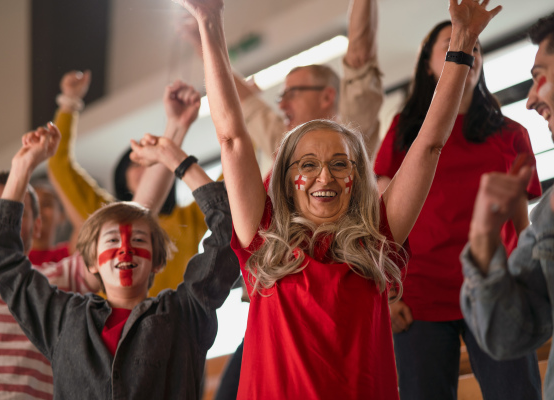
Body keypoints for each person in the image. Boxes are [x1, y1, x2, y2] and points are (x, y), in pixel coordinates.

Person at [175, 0, 501, 397]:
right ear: (288, 178)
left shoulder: (378, 239)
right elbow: (232, 137)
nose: (324, 176)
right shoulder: (262, 240)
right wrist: (209, 21)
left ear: (356, 179)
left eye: (340, 164)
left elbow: (430, 143)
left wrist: (462, 44)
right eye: (307, 165)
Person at [0, 122, 239, 399]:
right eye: (112, 241)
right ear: (90, 263)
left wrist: (177, 160)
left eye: (138, 240)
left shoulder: (187, 312)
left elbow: (230, 232)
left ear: (158, 262)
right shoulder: (62, 318)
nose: (125, 250)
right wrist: (22, 166)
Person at [373, 15, 543, 400]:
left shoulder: (511, 132)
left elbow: (522, 224)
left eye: (475, 46)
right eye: (454, 45)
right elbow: (381, 218)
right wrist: (389, 293)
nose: (469, 51)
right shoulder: (403, 129)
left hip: (496, 291)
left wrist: (528, 285)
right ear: (429, 64)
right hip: (420, 300)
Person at [47, 72, 211, 296]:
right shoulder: (104, 216)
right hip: (114, 326)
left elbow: (226, 192)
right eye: (137, 163)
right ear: (122, 176)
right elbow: (60, 166)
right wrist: (69, 101)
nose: (146, 168)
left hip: (174, 325)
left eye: (153, 160)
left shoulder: (187, 219)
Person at [461, 12, 554, 398]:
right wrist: (483, 238)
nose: (531, 99)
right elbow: (506, 336)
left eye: (540, 76)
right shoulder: (549, 211)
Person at [0, 166, 98, 399]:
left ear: (37, 225)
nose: (1, 223)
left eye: (16, 213)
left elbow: (121, 238)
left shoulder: (54, 283)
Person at [181, 0, 383, 162]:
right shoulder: (285, 145)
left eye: (292, 94)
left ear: (327, 96)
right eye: (281, 97)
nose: (282, 105)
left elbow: (359, 56)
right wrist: (202, 35)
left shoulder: (353, 133)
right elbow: (245, 100)